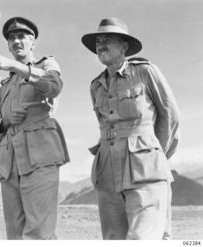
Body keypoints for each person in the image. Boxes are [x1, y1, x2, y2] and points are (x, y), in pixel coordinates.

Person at [81, 17, 180, 239]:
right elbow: (104, 125)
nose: (101, 45)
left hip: (145, 169)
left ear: (124, 45)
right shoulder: (96, 85)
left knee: (143, 238)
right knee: (113, 238)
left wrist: (153, 154)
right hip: (107, 173)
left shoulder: (145, 71)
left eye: (107, 39)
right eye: (98, 41)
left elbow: (170, 115)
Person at [0, 16, 70, 240]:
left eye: (21, 37)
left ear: (32, 42)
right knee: (15, 233)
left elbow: (53, 86)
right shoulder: (5, 86)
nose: (16, 41)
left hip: (40, 156)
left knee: (39, 232)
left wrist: (14, 66)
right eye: (11, 38)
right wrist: (6, 120)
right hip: (11, 163)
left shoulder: (47, 65)